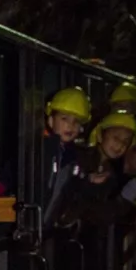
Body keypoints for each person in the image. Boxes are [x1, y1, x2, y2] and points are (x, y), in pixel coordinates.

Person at [42, 86, 91, 226]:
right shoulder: (39, 150)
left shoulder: (74, 158)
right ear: (51, 121)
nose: (71, 125)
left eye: (76, 121)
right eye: (64, 118)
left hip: (49, 228)